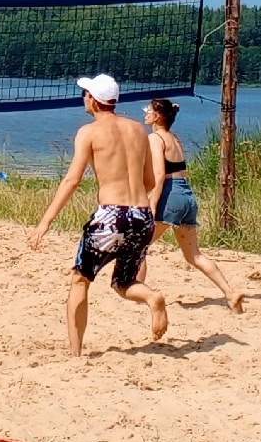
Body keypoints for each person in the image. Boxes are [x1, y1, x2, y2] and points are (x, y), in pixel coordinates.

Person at [28, 74, 168, 354]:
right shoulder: (138, 130)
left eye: (86, 93)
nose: (83, 97)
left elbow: (72, 180)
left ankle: (75, 352)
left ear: (93, 100)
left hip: (110, 216)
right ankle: (152, 297)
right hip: (142, 216)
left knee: (80, 279)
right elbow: (150, 181)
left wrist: (45, 221)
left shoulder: (88, 132)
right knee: (124, 282)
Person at [142, 98, 244, 311]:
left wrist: (152, 204)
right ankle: (230, 293)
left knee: (139, 247)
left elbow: (160, 175)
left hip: (170, 194)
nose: (145, 113)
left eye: (148, 110)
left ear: (157, 116)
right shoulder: (174, 137)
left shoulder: (155, 138)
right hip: (187, 195)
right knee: (194, 255)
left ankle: (139, 295)